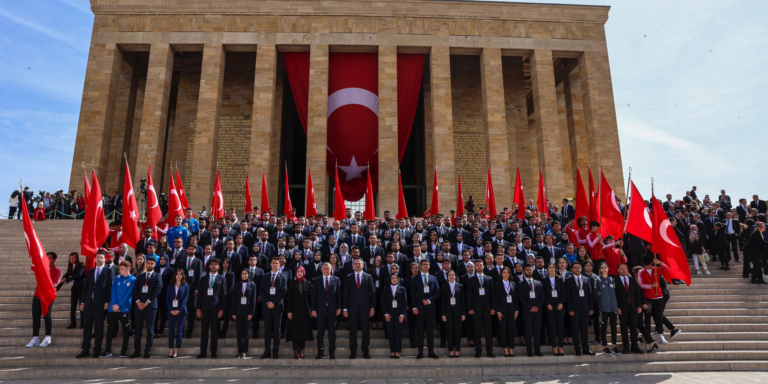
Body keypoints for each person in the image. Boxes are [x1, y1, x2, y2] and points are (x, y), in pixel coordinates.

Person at [76, 252, 113, 358]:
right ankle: (85, 349)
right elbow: (86, 288)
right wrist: (82, 302)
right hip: (88, 303)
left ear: (105, 259)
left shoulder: (108, 271)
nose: (99, 259)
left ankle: (97, 349)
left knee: (99, 327)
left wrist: (107, 301)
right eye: (97, 257)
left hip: (100, 304)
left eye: (101, 257)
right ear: (95, 258)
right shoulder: (90, 271)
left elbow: (110, 288)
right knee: (87, 327)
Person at [344, 258, 376, 359]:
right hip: (352, 308)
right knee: (352, 330)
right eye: (356, 264)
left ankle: (365, 351)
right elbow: (346, 294)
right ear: (353, 265)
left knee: (366, 330)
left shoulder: (368, 276)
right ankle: (353, 351)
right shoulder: (349, 277)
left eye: (359, 264)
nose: (357, 265)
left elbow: (373, 293)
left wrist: (373, 308)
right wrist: (345, 309)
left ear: (363, 265)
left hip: (365, 308)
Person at [130, 256, 162, 359]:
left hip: (150, 306)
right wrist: (138, 302)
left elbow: (157, 290)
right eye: (148, 263)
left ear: (154, 265)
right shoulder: (140, 277)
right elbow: (135, 290)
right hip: (139, 306)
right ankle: (137, 350)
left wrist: (147, 302)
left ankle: (147, 350)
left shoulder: (157, 276)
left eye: (152, 263)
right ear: (146, 264)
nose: (149, 265)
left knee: (150, 329)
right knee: (138, 329)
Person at [27, 252, 61, 349]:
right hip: (37, 295)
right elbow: (32, 267)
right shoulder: (40, 268)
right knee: (36, 317)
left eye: (50, 258)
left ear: (54, 259)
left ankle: (47, 336)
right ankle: (35, 338)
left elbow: (56, 283)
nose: (48, 259)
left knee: (47, 316)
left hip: (48, 296)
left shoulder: (58, 270)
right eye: (46, 257)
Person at [196, 257, 227, 359]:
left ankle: (213, 352)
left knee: (214, 332)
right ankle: (203, 352)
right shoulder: (203, 279)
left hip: (216, 309)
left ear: (219, 266)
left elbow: (224, 295)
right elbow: (199, 295)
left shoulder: (222, 279)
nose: (214, 266)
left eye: (216, 264)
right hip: (204, 309)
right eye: (212, 264)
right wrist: (198, 308)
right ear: (209, 266)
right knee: (204, 331)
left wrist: (222, 309)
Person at [615, 263, 649, 354]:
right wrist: (617, 307)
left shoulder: (633, 280)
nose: (624, 270)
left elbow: (637, 294)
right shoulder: (615, 281)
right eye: (622, 269)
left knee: (634, 328)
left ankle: (635, 347)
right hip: (622, 309)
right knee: (624, 328)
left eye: (625, 269)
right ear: (618, 270)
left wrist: (639, 305)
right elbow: (615, 296)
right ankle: (626, 348)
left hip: (633, 308)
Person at [104, 261, 135, 358]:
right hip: (113, 308)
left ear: (128, 268)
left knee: (125, 331)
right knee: (110, 330)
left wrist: (119, 305)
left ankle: (124, 351)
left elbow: (128, 295)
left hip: (124, 308)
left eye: (122, 268)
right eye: (120, 268)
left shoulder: (133, 279)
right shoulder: (117, 278)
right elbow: (113, 291)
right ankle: (107, 350)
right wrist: (114, 305)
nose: (119, 270)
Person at [312, 262, 342, 359]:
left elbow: (339, 295)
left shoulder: (336, 280)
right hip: (320, 310)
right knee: (320, 332)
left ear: (331, 269)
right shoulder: (316, 280)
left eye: (328, 268)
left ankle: (332, 352)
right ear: (321, 269)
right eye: (324, 268)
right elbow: (313, 297)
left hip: (332, 310)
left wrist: (339, 308)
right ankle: (320, 352)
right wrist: (313, 309)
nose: (326, 270)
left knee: (332, 332)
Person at [411, 258, 440, 359]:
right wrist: (414, 307)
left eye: (427, 264)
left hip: (430, 308)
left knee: (430, 330)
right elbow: (412, 294)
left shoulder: (433, 278)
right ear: (420, 266)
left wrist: (430, 300)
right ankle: (420, 352)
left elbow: (437, 292)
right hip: (419, 308)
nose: (425, 266)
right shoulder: (416, 278)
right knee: (419, 330)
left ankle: (431, 351)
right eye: (423, 264)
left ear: (429, 266)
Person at [637, 256, 670, 344]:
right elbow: (641, 284)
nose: (647, 266)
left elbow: (667, 269)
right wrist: (651, 286)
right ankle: (647, 336)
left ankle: (660, 336)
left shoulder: (657, 269)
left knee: (659, 316)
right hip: (648, 297)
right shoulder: (641, 272)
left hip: (658, 296)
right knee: (647, 317)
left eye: (648, 265)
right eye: (645, 265)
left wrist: (660, 263)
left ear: (651, 263)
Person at [260, 258, 288, 359]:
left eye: (277, 263)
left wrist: (274, 302)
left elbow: (284, 291)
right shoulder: (265, 276)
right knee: (267, 329)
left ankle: (275, 350)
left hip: (278, 306)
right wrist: (268, 302)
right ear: (270, 264)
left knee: (277, 329)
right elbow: (261, 290)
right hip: (267, 306)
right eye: (274, 263)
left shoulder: (283, 277)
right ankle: (267, 351)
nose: (275, 264)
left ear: (279, 265)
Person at [467, 259, 495, 358]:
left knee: (488, 330)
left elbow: (492, 294)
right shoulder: (471, 279)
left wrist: (493, 307)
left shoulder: (489, 279)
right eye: (477, 265)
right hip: (476, 308)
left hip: (487, 308)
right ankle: (478, 351)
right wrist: (470, 307)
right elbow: (468, 295)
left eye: (481, 265)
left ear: (484, 266)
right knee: (477, 330)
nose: (479, 266)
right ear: (475, 267)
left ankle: (489, 350)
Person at [565, 262, 595, 356]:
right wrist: (570, 309)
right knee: (575, 330)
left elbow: (589, 295)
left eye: (578, 267)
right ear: (572, 269)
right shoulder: (568, 280)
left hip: (585, 309)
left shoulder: (586, 279)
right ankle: (577, 349)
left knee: (585, 330)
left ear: (581, 269)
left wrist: (591, 307)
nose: (577, 269)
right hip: (574, 309)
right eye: (575, 268)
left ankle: (586, 349)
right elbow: (568, 297)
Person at [286, 266, 313, 359]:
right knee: (295, 331)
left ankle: (301, 349)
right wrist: (289, 311)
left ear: (304, 272)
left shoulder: (308, 283)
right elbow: (290, 299)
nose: (299, 273)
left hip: (305, 311)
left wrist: (311, 310)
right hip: (294, 310)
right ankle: (295, 350)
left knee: (303, 331)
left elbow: (310, 298)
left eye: (301, 271)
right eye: (298, 271)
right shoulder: (292, 283)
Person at [518, 263, 544, 357]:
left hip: (538, 311)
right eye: (527, 270)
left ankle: (537, 350)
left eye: (530, 269)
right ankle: (529, 350)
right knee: (528, 331)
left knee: (537, 331)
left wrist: (538, 306)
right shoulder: (521, 284)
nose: (529, 271)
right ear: (524, 271)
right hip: (527, 311)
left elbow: (542, 296)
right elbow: (521, 298)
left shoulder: (538, 283)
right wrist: (530, 307)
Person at [594, 263, 619, 355]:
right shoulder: (598, 280)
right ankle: (605, 346)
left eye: (605, 267)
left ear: (608, 269)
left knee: (613, 327)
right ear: (600, 269)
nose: (604, 269)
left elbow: (615, 293)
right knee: (603, 327)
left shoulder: (612, 279)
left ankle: (614, 346)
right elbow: (596, 294)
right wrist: (601, 302)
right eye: (602, 268)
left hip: (613, 307)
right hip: (603, 308)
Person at [232, 268, 257, 359]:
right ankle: (239, 351)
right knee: (239, 332)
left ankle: (244, 351)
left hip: (247, 312)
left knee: (246, 333)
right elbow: (234, 299)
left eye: (246, 274)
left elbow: (253, 300)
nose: (244, 275)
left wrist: (252, 312)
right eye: (243, 273)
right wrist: (233, 312)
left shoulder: (252, 285)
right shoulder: (237, 285)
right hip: (238, 311)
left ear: (248, 275)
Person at [440, 270, 465, 357]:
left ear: (455, 276)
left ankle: (457, 349)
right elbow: (442, 301)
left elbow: (463, 301)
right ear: (447, 277)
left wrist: (463, 314)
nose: (451, 276)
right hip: (448, 312)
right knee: (449, 331)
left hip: (458, 312)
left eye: (453, 275)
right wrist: (443, 314)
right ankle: (451, 349)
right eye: (449, 275)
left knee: (458, 332)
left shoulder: (460, 286)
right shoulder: (444, 286)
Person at [382, 272, 407, 358]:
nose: (394, 279)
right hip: (389, 314)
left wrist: (402, 314)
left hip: (399, 314)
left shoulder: (402, 289)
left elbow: (404, 302)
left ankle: (398, 351)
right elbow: (383, 302)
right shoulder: (386, 289)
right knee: (391, 333)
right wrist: (386, 314)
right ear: (390, 279)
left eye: (395, 278)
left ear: (398, 279)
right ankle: (392, 351)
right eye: (392, 278)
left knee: (398, 334)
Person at [543, 262, 565, 356]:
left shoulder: (560, 279)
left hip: (559, 306)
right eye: (550, 267)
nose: (551, 269)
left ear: (555, 269)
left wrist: (561, 303)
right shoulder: (544, 280)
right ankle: (554, 346)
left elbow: (564, 293)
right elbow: (543, 294)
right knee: (551, 327)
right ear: (547, 269)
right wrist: (547, 304)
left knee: (560, 327)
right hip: (550, 307)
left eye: (553, 267)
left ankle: (560, 346)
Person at [495, 267, 519, 357]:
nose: (506, 274)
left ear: (509, 274)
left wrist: (516, 310)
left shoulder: (513, 284)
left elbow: (516, 298)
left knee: (511, 330)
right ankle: (505, 348)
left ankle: (511, 348)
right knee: (503, 329)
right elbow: (496, 299)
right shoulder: (498, 284)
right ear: (501, 274)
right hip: (502, 310)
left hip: (512, 310)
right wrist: (498, 311)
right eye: (504, 272)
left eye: (507, 273)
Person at [59, 252, 85, 329]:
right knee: (73, 306)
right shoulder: (70, 266)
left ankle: (83, 324)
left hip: (82, 288)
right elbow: (66, 275)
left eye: (73, 258)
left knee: (81, 306)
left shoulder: (81, 265)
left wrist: (67, 279)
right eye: (70, 258)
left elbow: (78, 275)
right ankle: (72, 323)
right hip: (74, 289)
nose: (71, 260)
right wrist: (57, 286)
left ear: (76, 258)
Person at [166, 268, 189, 358]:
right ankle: (171, 349)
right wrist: (171, 309)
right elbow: (167, 298)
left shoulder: (186, 286)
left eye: (180, 274)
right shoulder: (170, 286)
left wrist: (178, 309)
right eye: (177, 274)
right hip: (171, 311)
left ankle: (176, 350)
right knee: (171, 330)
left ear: (183, 276)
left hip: (181, 311)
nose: (179, 275)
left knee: (179, 331)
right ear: (175, 275)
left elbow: (185, 299)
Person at [154, 255, 173, 338]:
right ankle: (154, 330)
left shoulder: (170, 270)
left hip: (165, 294)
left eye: (164, 259)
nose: (162, 261)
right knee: (155, 313)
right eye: (161, 259)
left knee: (163, 313)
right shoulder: (156, 269)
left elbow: (171, 283)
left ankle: (161, 330)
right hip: (156, 295)